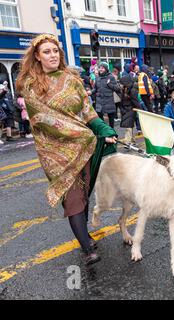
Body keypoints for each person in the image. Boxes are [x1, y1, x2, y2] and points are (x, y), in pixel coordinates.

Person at [15, 33, 118, 265]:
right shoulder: (31, 86)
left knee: (84, 194)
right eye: (46, 52)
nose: (52, 55)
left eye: (55, 51)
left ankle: (85, 237)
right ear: (37, 57)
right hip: (56, 152)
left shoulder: (72, 79)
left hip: (84, 146)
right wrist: (88, 134)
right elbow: (45, 120)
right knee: (73, 199)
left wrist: (103, 129)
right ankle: (87, 247)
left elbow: (87, 110)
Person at [91, 62, 121, 128]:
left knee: (111, 120)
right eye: (99, 68)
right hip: (99, 102)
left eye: (102, 68)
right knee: (100, 118)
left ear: (106, 69)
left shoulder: (111, 77)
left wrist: (109, 84)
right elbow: (95, 89)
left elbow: (117, 88)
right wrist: (90, 92)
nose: (100, 69)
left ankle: (112, 133)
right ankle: (104, 132)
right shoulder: (97, 78)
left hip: (109, 101)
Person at [119, 72, 140, 146]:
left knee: (128, 126)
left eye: (121, 83)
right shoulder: (124, 89)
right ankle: (133, 141)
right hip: (125, 110)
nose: (120, 85)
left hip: (131, 110)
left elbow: (136, 101)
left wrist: (139, 109)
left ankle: (127, 142)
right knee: (130, 126)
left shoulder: (132, 91)